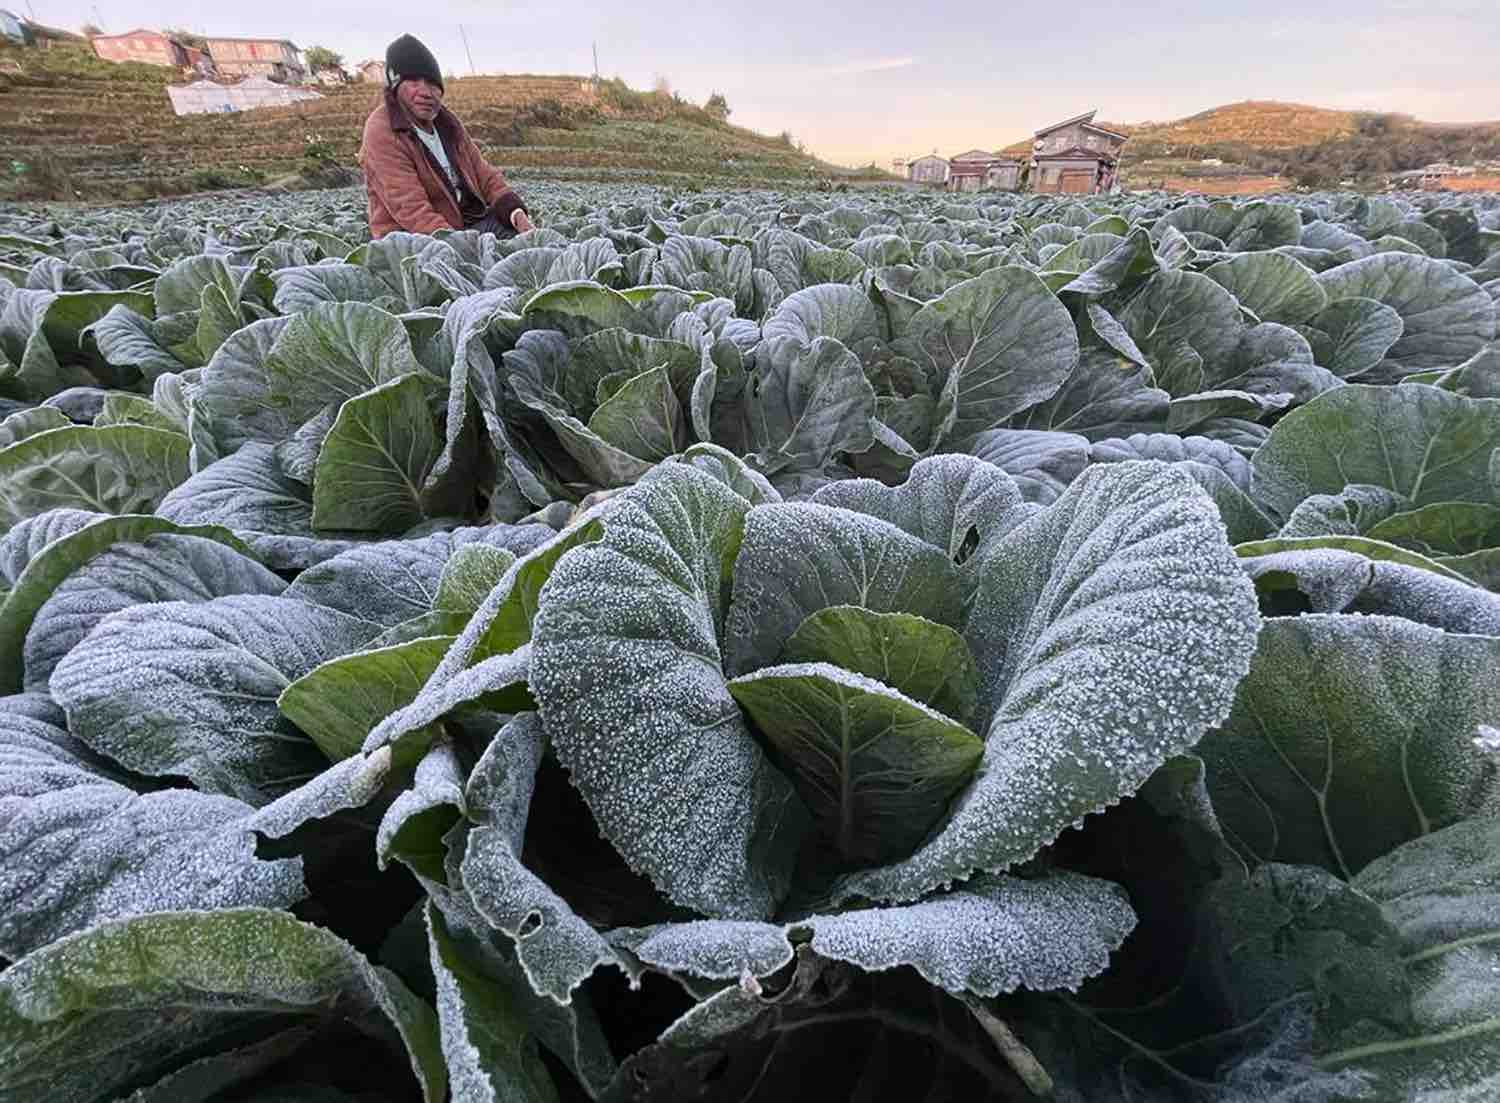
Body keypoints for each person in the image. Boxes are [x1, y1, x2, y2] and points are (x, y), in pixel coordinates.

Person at [358, 34, 534, 239]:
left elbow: (484, 174)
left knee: (525, 237)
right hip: (414, 240)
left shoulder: (447, 124)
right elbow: (411, 210)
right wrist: (460, 244)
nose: (426, 92)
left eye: (432, 83)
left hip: (466, 224)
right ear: (395, 86)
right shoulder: (383, 129)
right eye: (413, 81)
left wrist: (514, 211)